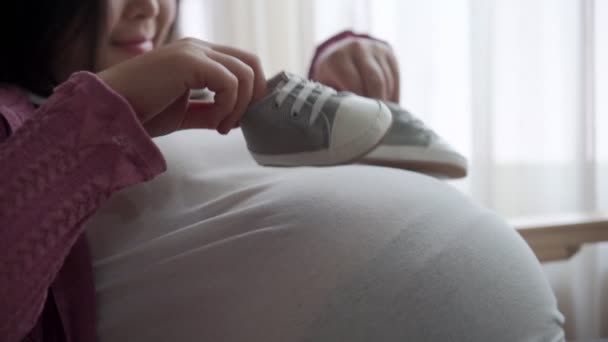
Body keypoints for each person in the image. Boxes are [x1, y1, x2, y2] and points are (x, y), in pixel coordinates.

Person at [0, 1, 565, 341]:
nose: (149, 6)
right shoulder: (25, 121)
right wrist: (93, 115)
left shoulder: (167, 103)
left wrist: (332, 78)